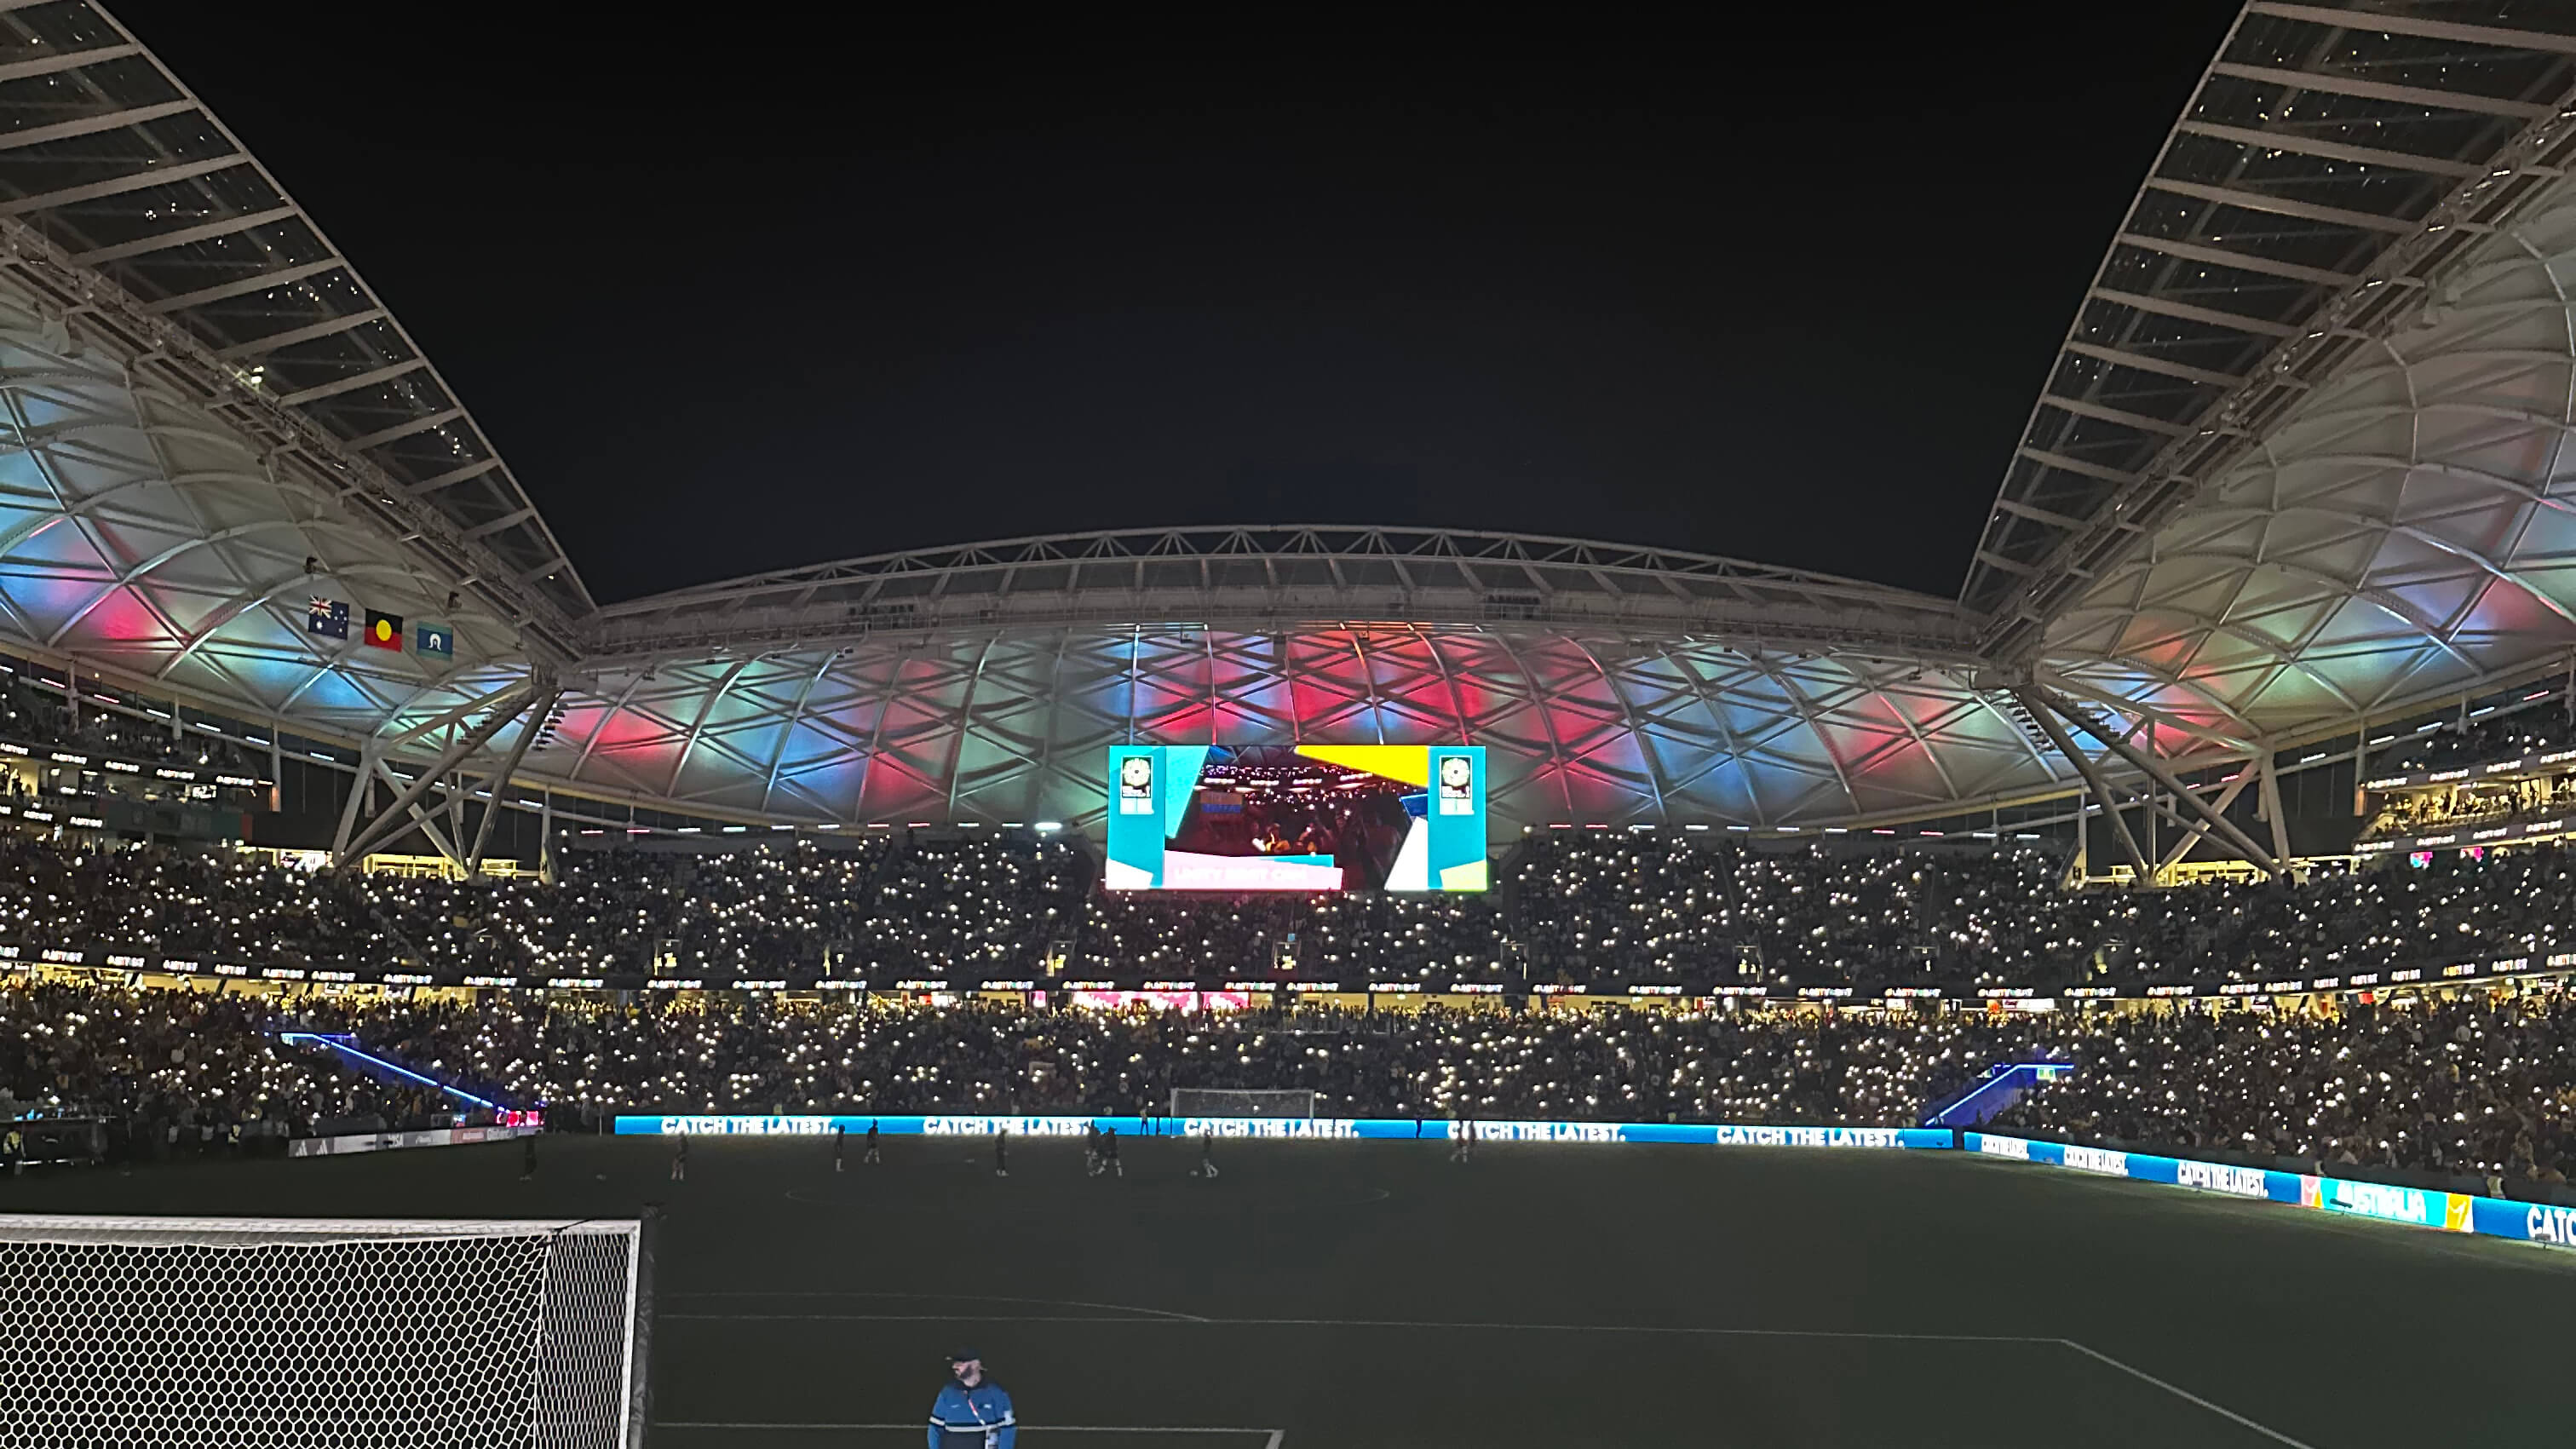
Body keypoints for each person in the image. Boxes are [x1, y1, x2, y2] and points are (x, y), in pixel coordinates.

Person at [928, 1348, 1015, 1448]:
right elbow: (934, 1429)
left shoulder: (996, 1393)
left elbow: (1008, 1429)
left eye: (961, 1363)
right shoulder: (947, 1393)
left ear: (975, 1364)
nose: (955, 1367)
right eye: (954, 1363)